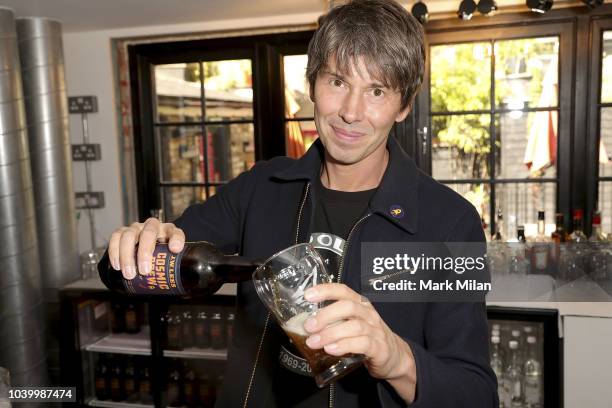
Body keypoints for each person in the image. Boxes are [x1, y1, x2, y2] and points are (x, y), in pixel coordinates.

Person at [108, 0, 498, 406]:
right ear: (313, 85)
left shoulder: (451, 223)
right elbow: (167, 252)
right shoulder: (260, 187)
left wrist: (395, 356)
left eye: (377, 91)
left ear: (403, 106)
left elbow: (476, 395)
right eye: (338, 82)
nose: (350, 112)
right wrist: (142, 241)